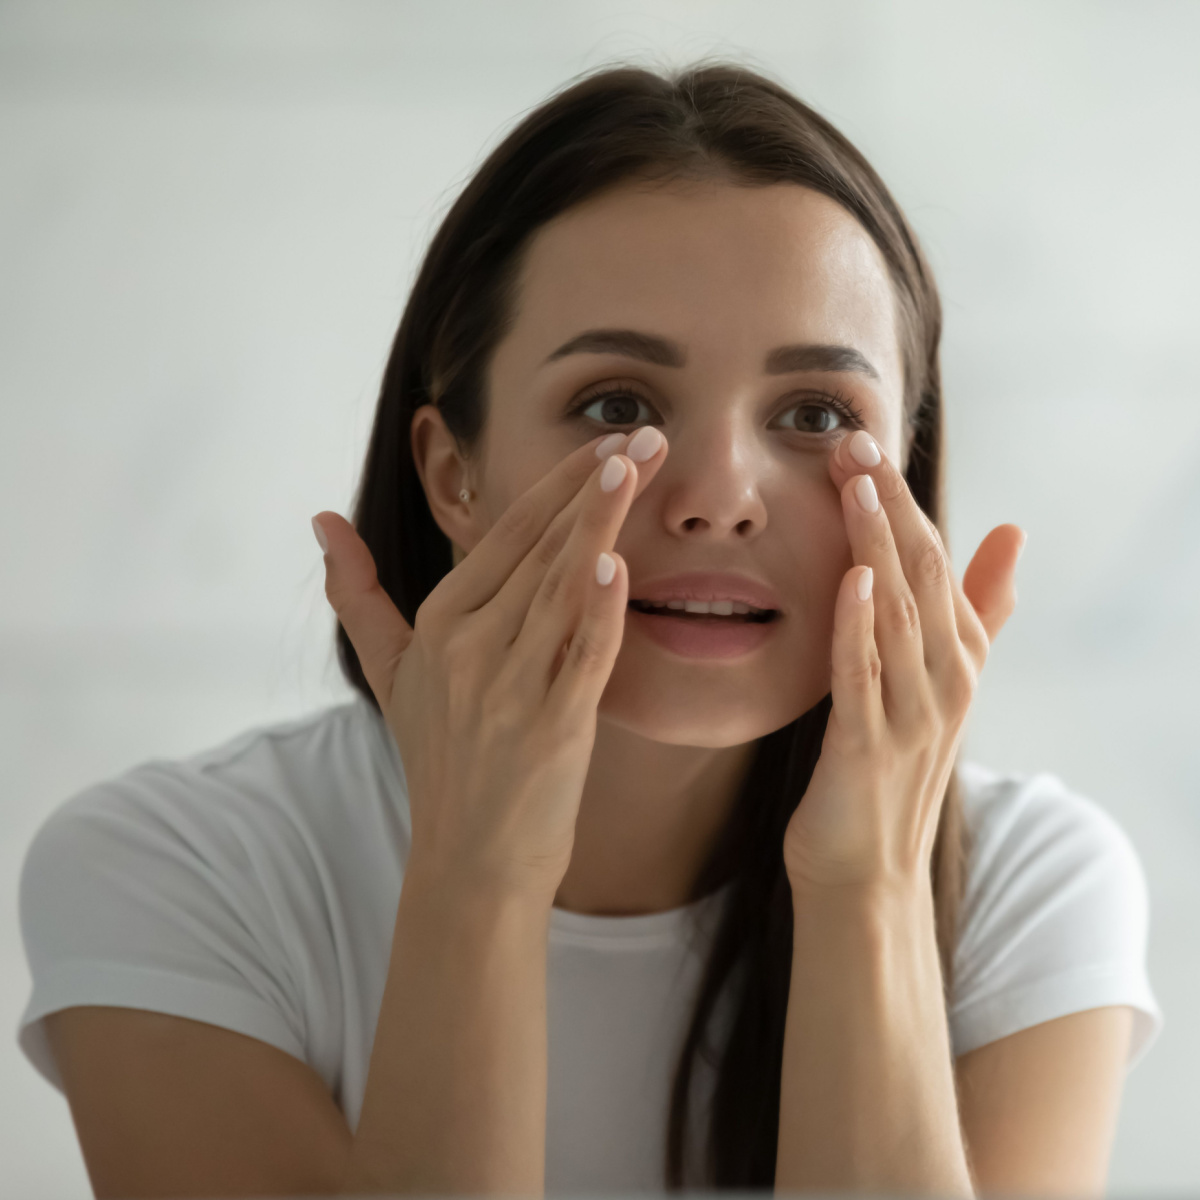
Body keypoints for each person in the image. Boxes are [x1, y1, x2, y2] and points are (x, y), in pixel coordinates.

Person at [17, 61, 1160, 1198]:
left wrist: (868, 890)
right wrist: (481, 872)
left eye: (816, 415)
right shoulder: (178, 874)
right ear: (453, 474)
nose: (720, 493)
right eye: (618, 406)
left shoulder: (1029, 889)